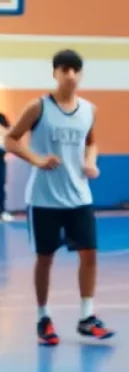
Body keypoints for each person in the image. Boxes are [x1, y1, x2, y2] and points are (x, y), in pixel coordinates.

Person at [4, 49, 115, 344]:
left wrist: (91, 161)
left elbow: (91, 142)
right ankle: (43, 317)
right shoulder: (38, 107)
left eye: (75, 70)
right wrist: (37, 159)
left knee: (89, 254)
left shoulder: (89, 110)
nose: (70, 75)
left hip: (79, 197)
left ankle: (87, 316)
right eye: (64, 69)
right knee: (45, 258)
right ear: (54, 74)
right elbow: (10, 139)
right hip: (44, 200)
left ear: (80, 75)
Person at [0, 111, 10, 222]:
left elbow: (9, 133)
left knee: (1, 185)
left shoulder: (2, 118)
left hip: (0, 156)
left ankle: (2, 211)